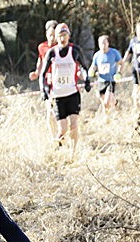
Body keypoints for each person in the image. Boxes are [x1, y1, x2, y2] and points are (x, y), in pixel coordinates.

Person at [39, 22, 91, 153]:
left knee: (73, 125)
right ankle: (57, 149)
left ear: (68, 36)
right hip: (57, 95)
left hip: (72, 93)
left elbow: (84, 67)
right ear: (56, 37)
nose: (62, 38)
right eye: (60, 36)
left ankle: (73, 152)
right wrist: (43, 89)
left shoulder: (75, 50)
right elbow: (42, 74)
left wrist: (87, 80)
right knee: (62, 129)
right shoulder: (52, 52)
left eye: (64, 35)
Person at [29, 19, 58, 138]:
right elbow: (41, 61)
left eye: (54, 35)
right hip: (48, 81)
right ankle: (54, 138)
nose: (52, 38)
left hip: (60, 82)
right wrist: (37, 73)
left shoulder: (62, 47)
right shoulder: (42, 47)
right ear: (46, 34)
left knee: (59, 112)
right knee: (50, 112)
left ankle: (62, 134)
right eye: (50, 35)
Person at [89, 35, 123, 115]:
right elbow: (93, 66)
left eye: (104, 43)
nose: (103, 45)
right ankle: (115, 106)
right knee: (104, 103)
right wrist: (91, 71)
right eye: (101, 43)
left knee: (106, 103)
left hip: (110, 80)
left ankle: (109, 117)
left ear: (108, 43)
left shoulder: (114, 53)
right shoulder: (97, 55)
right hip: (101, 81)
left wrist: (118, 73)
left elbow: (121, 63)